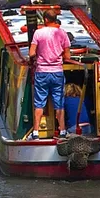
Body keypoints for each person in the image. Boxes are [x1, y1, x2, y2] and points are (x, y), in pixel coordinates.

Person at [27, 9, 72, 139]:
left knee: (39, 102)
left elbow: (31, 53)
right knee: (59, 102)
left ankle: (36, 132)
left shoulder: (38, 33)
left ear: (45, 19)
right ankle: (62, 131)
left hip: (42, 72)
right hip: (57, 72)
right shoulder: (62, 33)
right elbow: (67, 56)